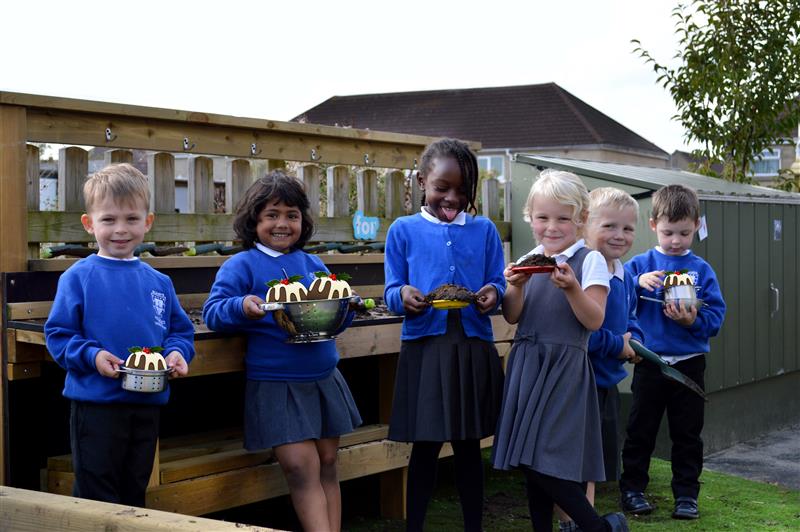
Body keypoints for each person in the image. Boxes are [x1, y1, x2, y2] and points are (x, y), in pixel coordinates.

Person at [203, 171, 361, 532]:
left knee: (327, 462)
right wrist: (243, 305)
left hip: (323, 378)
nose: (282, 223)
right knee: (300, 468)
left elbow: (331, 323)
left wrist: (348, 310)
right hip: (277, 383)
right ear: (254, 219)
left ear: (302, 221)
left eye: (291, 215)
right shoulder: (241, 265)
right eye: (272, 214)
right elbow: (214, 312)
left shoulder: (313, 265)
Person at [44, 163, 195, 507]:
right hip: (96, 406)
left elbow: (180, 333)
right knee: (96, 496)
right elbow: (58, 335)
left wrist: (177, 354)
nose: (121, 230)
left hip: (146, 406)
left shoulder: (159, 282)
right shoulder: (78, 277)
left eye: (131, 219)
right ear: (89, 224)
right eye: (109, 220)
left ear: (148, 222)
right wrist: (93, 356)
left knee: (134, 492)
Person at [492, 170, 629, 532]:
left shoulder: (590, 261)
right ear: (530, 218)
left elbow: (595, 320)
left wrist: (571, 289)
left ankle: (597, 527)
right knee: (529, 460)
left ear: (581, 219)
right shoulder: (528, 257)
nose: (551, 227)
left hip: (564, 370)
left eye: (563, 218)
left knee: (546, 462)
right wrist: (515, 287)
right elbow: (512, 315)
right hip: (527, 366)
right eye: (543, 217)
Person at [383, 138, 505, 532]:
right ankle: (414, 526)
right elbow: (391, 289)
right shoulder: (402, 231)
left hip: (471, 346)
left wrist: (493, 294)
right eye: (441, 188)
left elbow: (496, 282)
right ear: (422, 181)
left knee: (470, 447)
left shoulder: (484, 230)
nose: (452, 198)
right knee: (426, 445)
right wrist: (402, 295)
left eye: (462, 190)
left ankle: (474, 528)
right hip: (426, 348)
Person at [619, 184, 725, 520]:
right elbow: (617, 305)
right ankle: (633, 490)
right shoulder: (638, 265)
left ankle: (687, 496)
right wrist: (636, 284)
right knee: (640, 431)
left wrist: (693, 320)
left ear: (697, 225)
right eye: (668, 232)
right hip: (650, 363)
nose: (676, 240)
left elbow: (716, 318)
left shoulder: (702, 270)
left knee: (687, 435)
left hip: (689, 366)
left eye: (684, 232)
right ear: (653, 226)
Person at [557, 187, 645, 532]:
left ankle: (582, 522)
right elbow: (584, 333)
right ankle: (571, 525)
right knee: (571, 463)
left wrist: (636, 342)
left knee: (591, 462)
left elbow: (631, 319)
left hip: (607, 381)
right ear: (585, 225)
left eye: (627, 228)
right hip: (580, 378)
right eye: (609, 226)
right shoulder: (582, 272)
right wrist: (618, 346)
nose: (619, 236)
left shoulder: (625, 275)